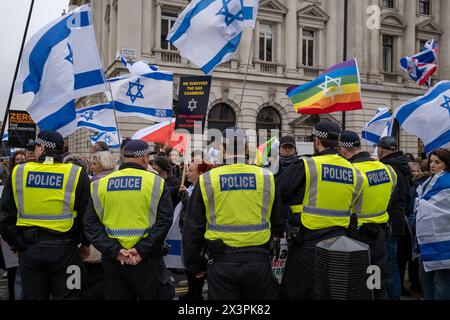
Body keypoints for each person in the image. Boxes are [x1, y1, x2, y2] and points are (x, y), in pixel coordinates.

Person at [183, 128, 283, 300]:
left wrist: (194, 264)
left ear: (222, 149)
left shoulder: (207, 179)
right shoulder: (266, 177)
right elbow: (278, 222)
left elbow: (193, 227)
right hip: (258, 259)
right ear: (246, 149)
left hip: (222, 262)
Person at [0, 131, 91, 300]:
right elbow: (87, 215)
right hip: (66, 250)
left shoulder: (19, 172)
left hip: (30, 249)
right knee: (70, 296)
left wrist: (16, 244)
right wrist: (84, 243)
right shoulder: (77, 173)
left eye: (35, 147)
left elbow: (5, 215)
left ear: (41, 148)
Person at [279, 121, 364, 300]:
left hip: (307, 241)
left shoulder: (307, 165)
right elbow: (354, 207)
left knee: (295, 292)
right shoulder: (355, 172)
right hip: (340, 241)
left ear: (317, 141)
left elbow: (281, 193)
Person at [84, 140, 173, 300]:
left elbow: (90, 225)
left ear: (123, 157)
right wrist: (141, 250)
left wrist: (115, 251)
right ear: (145, 158)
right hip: (146, 259)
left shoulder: (99, 184)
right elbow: (164, 221)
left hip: (114, 260)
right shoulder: (156, 182)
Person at [338, 131, 397, 300]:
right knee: (377, 283)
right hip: (380, 234)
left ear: (343, 150)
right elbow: (390, 199)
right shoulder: (388, 170)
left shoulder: (351, 172)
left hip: (356, 235)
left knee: (356, 285)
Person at [376, 136, 411, 300]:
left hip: (389, 221)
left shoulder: (388, 168)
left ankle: (393, 296)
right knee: (392, 262)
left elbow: (389, 198)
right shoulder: (402, 165)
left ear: (381, 150)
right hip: (397, 220)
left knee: (389, 264)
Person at [415, 148, 450, 300]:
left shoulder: (447, 181)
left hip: (444, 241)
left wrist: (422, 204)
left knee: (441, 282)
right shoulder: (429, 180)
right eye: (431, 162)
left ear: (447, 164)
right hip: (426, 240)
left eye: (438, 162)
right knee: (425, 279)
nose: (432, 165)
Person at [178, 160, 214, 300]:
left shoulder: (203, 189)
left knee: (196, 270)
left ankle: (195, 295)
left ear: (200, 174)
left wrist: (186, 198)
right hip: (186, 233)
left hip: (198, 239)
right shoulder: (192, 187)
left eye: (191, 171)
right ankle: (193, 293)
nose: (187, 173)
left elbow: (195, 213)